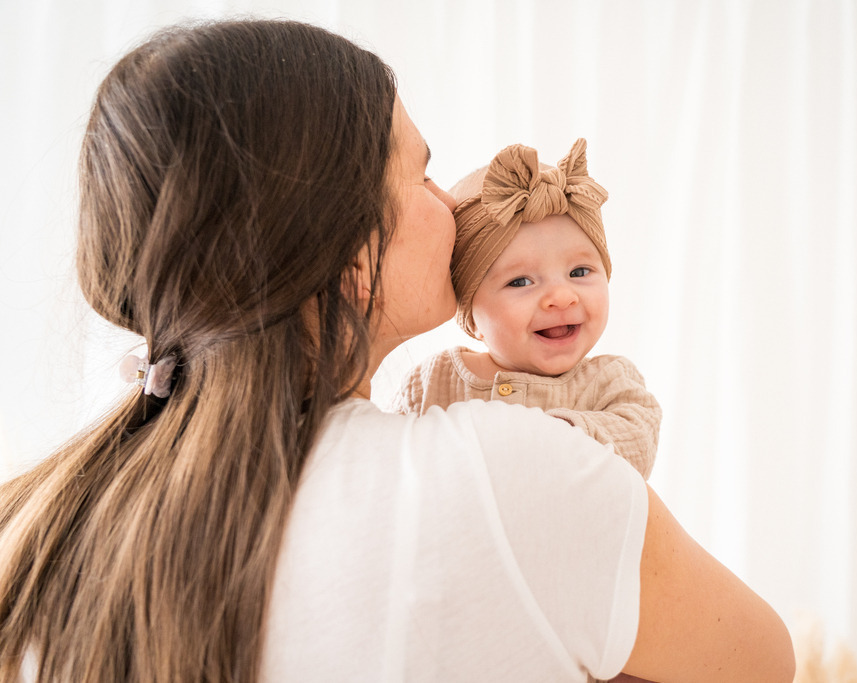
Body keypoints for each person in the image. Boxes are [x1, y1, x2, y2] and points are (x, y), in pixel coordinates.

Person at [0, 19, 794, 683]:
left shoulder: (40, 520)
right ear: (351, 256)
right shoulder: (508, 474)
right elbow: (765, 661)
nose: (450, 201)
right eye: (421, 174)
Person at [389, 139, 661, 480]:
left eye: (579, 272)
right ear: (471, 317)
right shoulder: (434, 382)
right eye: (520, 282)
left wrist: (554, 435)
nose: (562, 297)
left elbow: (637, 443)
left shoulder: (609, 382)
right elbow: (393, 465)